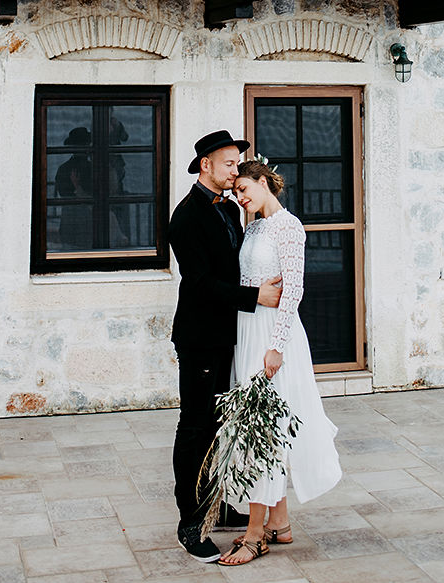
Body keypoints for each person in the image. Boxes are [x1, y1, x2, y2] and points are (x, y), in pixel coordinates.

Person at [218, 159, 342, 567]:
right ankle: (281, 523)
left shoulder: (289, 227)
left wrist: (277, 346)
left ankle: (255, 535)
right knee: (259, 425)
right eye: (235, 192)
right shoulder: (252, 227)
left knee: (261, 431)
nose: (240, 196)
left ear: (263, 182)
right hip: (248, 329)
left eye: (244, 188)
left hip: (273, 336)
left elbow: (294, 290)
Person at [169, 130, 283, 563]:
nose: (237, 172)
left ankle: (219, 503)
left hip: (229, 335)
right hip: (201, 339)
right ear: (206, 166)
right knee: (196, 428)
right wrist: (256, 298)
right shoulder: (187, 217)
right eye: (229, 164)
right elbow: (199, 284)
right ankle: (191, 524)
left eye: (238, 164)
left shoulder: (228, 208)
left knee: (222, 427)